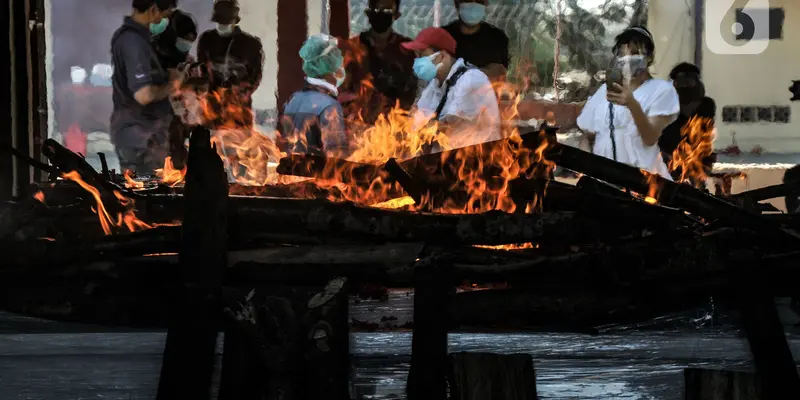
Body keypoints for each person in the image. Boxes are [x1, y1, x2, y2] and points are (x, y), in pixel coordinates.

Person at [576, 26, 679, 179]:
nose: (628, 59)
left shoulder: (662, 90)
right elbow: (586, 137)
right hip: (604, 183)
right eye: (622, 54)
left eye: (635, 53)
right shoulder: (603, 91)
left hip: (644, 182)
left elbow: (650, 138)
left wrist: (632, 104)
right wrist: (587, 169)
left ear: (649, 57)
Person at [110, 0, 182, 174]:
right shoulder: (133, 42)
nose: (162, 21)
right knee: (150, 198)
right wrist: (174, 84)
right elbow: (144, 94)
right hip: (142, 142)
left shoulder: (139, 39)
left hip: (145, 138)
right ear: (153, 9)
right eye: (163, 16)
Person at [402, 27, 501, 152]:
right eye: (416, 55)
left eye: (422, 54)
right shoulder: (435, 85)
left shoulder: (471, 79)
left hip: (475, 161)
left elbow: (449, 126)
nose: (417, 60)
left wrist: (418, 127)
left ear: (442, 56)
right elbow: (414, 122)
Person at [338, 0, 417, 124]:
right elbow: (342, 88)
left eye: (386, 11)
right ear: (368, 13)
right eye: (376, 10)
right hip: (360, 123)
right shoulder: (353, 47)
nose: (381, 14)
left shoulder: (407, 49)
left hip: (397, 123)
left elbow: (414, 89)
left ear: (396, 15)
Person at [196, 0, 264, 130]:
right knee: (211, 142)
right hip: (213, 103)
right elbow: (202, 69)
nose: (223, 25)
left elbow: (256, 74)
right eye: (220, 22)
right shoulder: (207, 40)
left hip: (239, 105)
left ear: (235, 20)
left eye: (226, 22)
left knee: (240, 144)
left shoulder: (250, 44)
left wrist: (242, 94)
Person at [277, 34, 348, 156]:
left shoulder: (293, 99)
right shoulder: (329, 105)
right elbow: (336, 155)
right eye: (338, 61)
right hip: (318, 173)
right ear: (329, 68)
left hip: (292, 172)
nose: (341, 66)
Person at [659, 62, 717, 181]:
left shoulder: (706, 105)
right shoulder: (665, 105)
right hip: (668, 159)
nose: (684, 85)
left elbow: (701, 134)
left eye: (688, 80)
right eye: (680, 81)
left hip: (697, 159)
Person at [443, 0, 509, 81]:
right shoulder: (441, 37)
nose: (474, 4)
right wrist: (484, 73)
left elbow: (498, 75)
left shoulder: (498, 38)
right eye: (469, 0)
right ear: (456, 3)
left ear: (485, 3)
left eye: (479, 1)